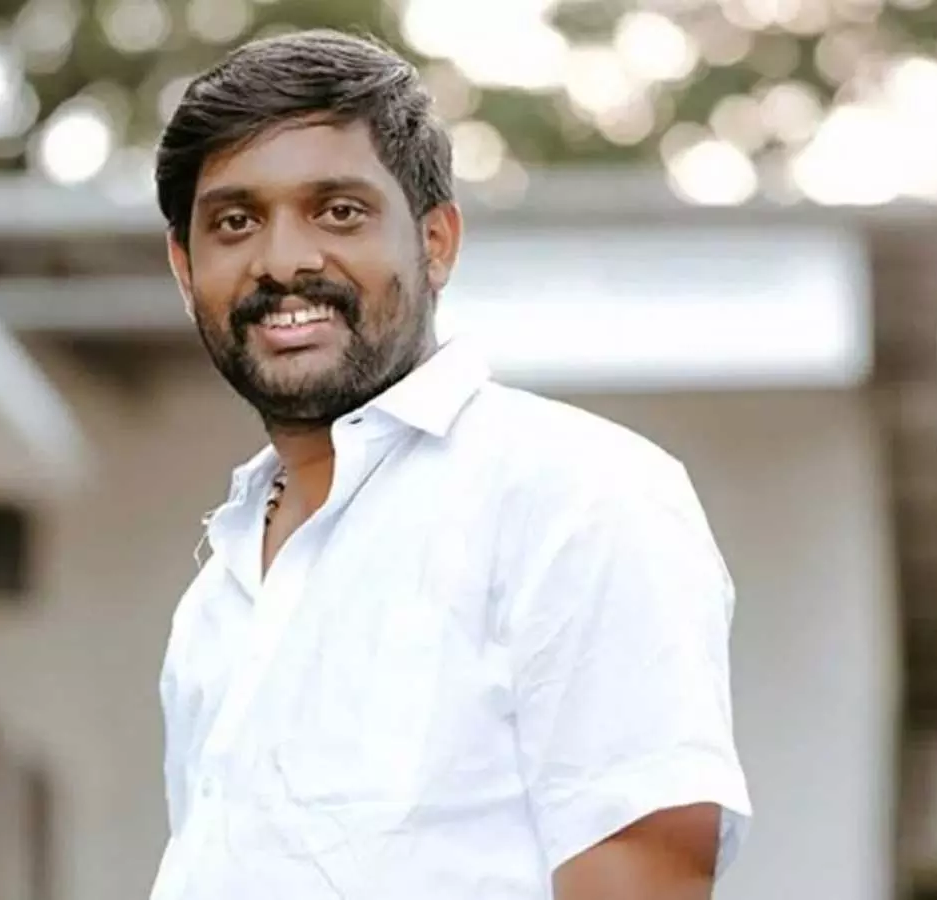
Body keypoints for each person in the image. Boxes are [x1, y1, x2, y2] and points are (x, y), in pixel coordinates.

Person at [149, 28, 751, 900]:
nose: (283, 261)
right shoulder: (220, 593)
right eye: (236, 222)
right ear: (184, 267)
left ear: (435, 243)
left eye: (338, 212)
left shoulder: (574, 495)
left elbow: (644, 880)